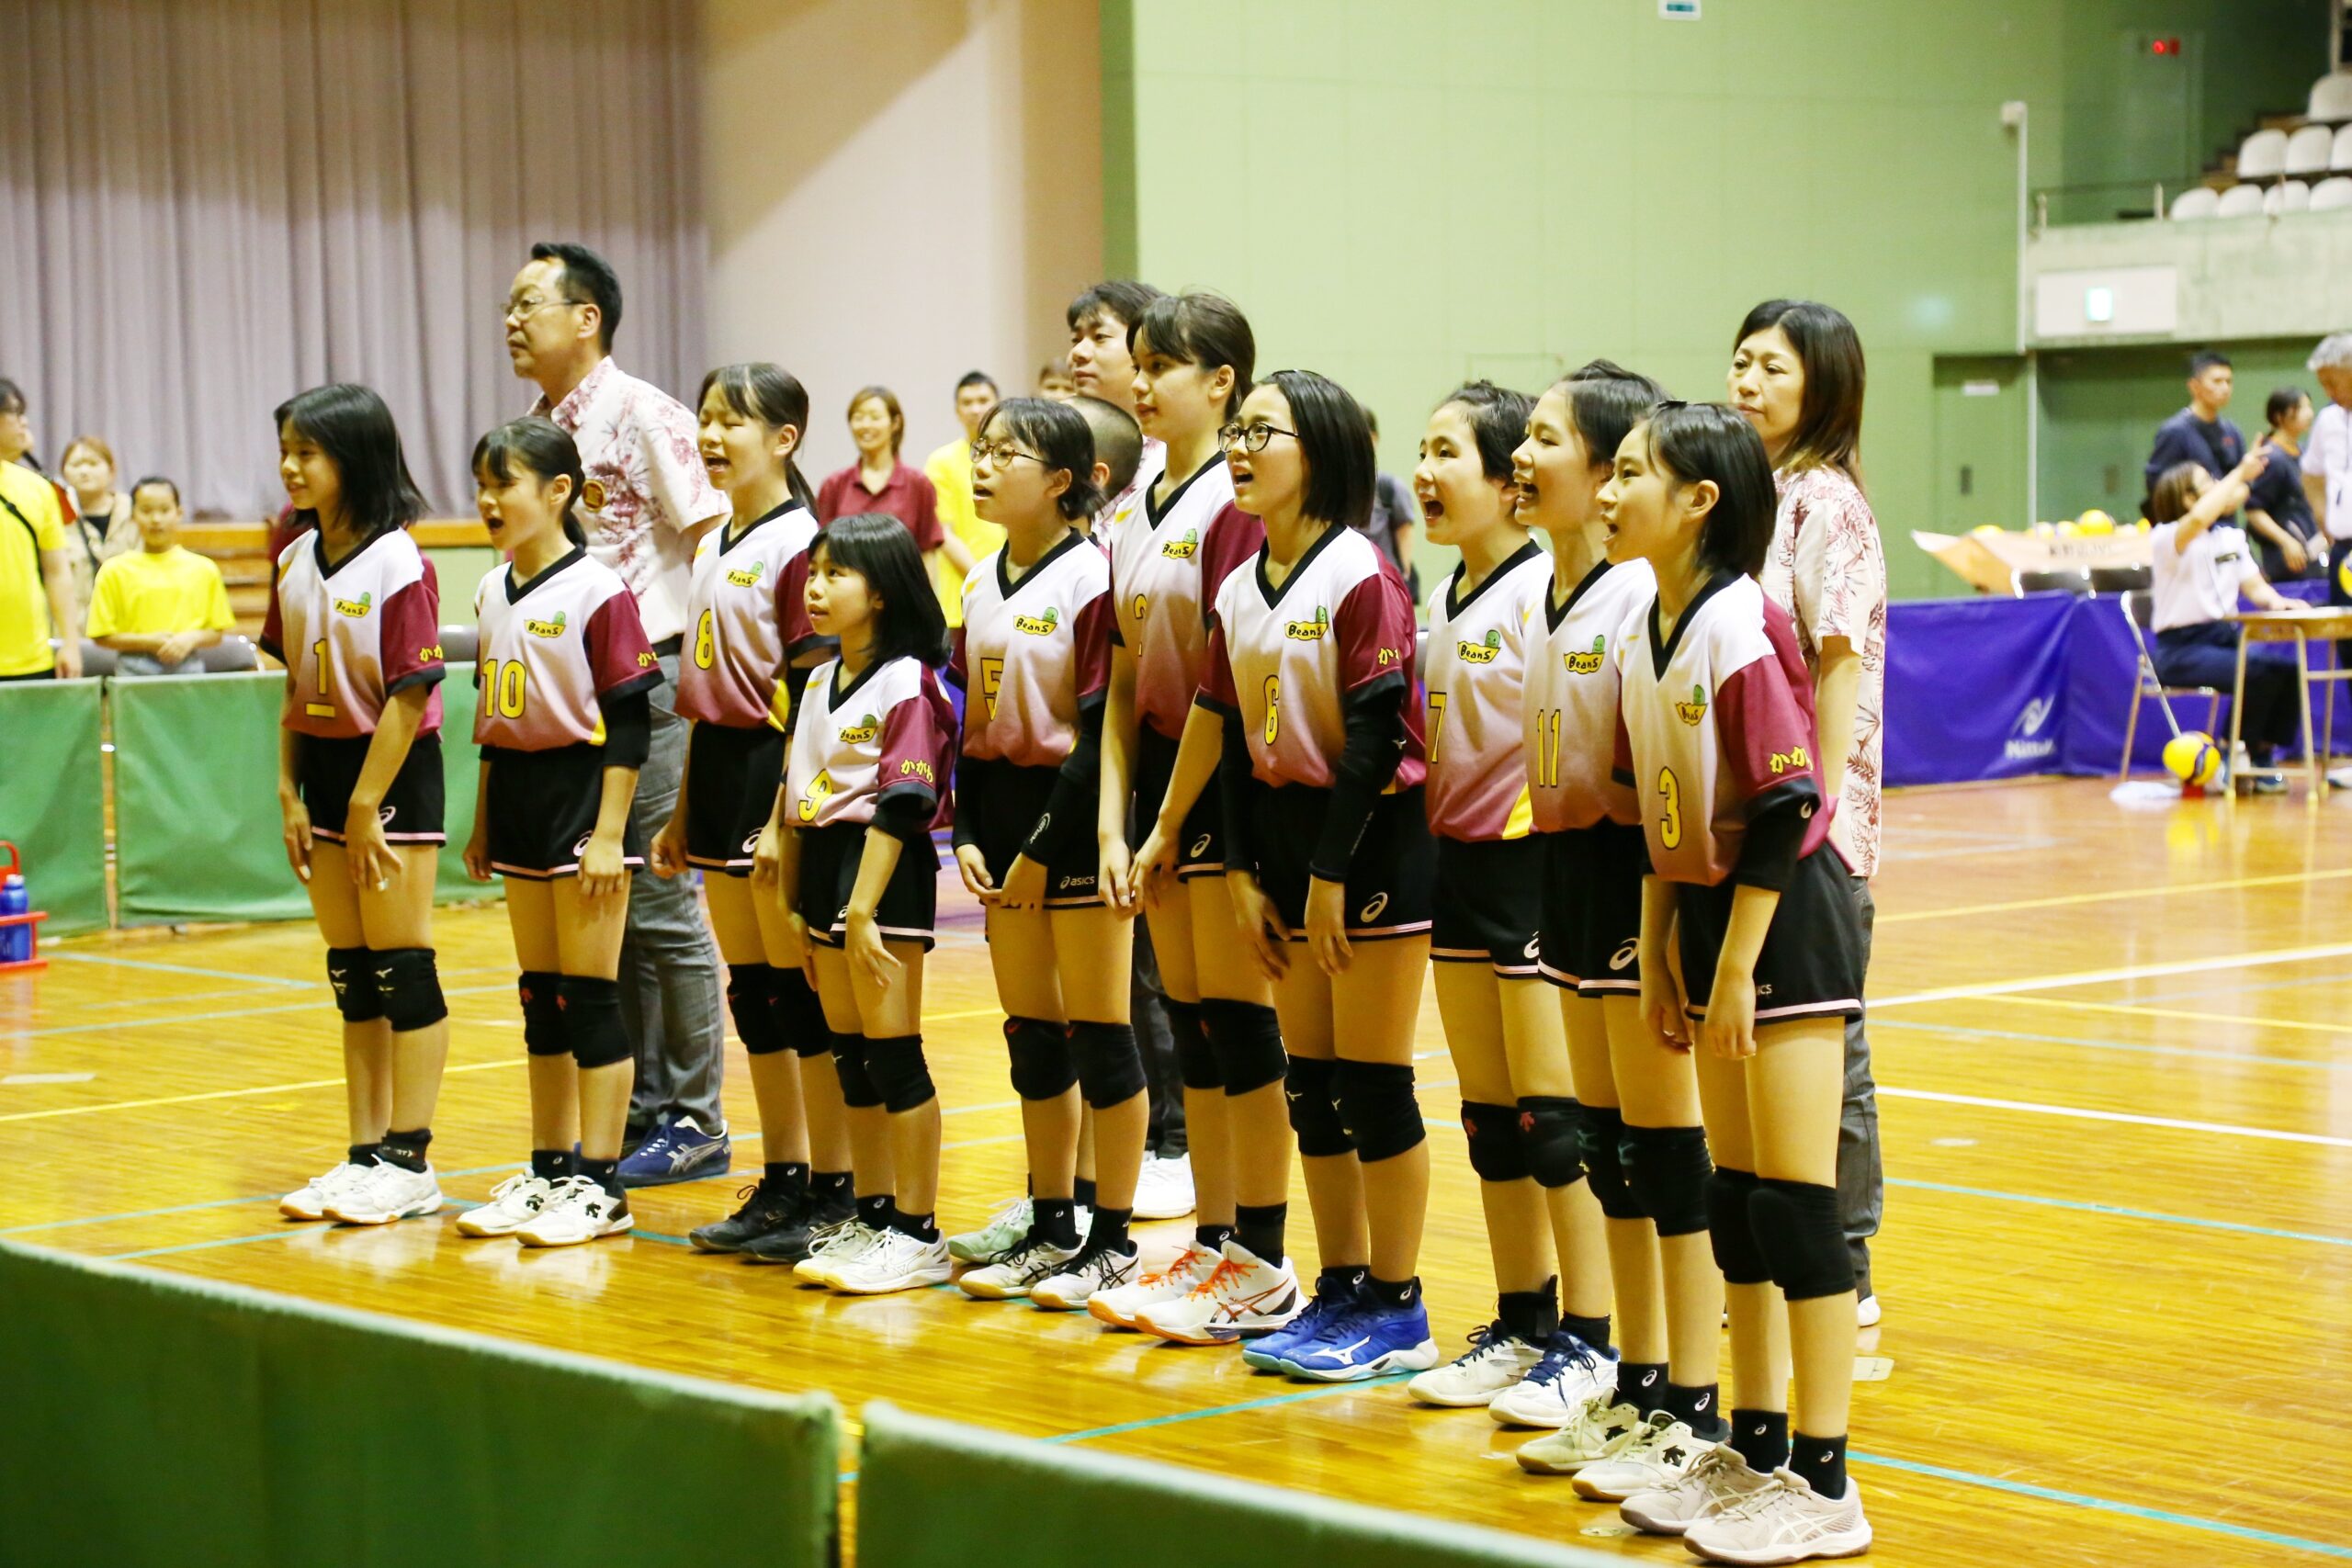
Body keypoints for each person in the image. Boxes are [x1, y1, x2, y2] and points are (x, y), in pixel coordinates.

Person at [1606, 401, 1871, 1562]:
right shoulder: (1646, 624)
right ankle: (1753, 1450)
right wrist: (1660, 954)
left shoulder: (1740, 622)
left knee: (1799, 1211)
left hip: (1785, 923)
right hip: (1712, 921)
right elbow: (1651, 818)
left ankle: (1826, 1484)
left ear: (1698, 501)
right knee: (1740, 1203)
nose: (1608, 492)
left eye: (1629, 473)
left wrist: (1734, 968)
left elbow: (1782, 807)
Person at [1145, 367, 1433, 1376]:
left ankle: (1398, 1304)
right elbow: (1225, 730)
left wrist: (1328, 871)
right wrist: (1238, 870)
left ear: (1318, 450)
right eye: (1235, 431)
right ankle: (1342, 1287)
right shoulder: (1240, 585)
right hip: (1282, 845)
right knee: (1312, 1087)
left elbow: (1375, 733)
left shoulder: (1360, 572)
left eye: (1260, 431)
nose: (1238, 447)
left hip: (1368, 843)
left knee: (1374, 1084)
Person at [1510, 365, 1732, 1490]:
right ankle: (1639, 1384)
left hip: (1632, 875)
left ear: (1608, 473)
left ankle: (1694, 1398)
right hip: (1564, 876)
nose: (1519, 456)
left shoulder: (1643, 600)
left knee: (1664, 1153)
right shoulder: (1546, 595)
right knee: (1605, 1151)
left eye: (1544, 438)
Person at [1397, 380, 1618, 1413]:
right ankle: (1523, 1319)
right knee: (1490, 1119)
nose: (1424, 473)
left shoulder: (1544, 593)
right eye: (1423, 451)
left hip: (1532, 875)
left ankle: (1594, 1337)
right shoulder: (1441, 595)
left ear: (1503, 482)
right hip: (1456, 871)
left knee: (1552, 1122)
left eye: (1448, 453)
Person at [505, 240, 735, 1183]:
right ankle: (640, 1111)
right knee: (610, 903)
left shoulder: (646, 413)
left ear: (587, 317)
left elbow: (711, 534)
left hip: (655, 681)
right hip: (573, 693)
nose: (512, 321)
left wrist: (709, 677)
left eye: (529, 303)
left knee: (663, 903)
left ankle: (695, 1119)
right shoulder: (536, 427)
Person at [1090, 292, 1295, 1341]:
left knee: (1239, 1023)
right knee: (1195, 1029)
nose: (1140, 381)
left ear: (1221, 383)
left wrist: (1174, 819)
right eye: (1137, 362)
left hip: (1225, 784)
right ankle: (1213, 1247)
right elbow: (1125, 680)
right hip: (1160, 784)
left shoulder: (1232, 503)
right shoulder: (1134, 508)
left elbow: (1224, 685)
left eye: (1161, 364)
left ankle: (1262, 1256)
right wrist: (1115, 822)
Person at [944, 397, 1153, 1309]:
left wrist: (1040, 848)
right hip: (1000, 821)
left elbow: (1101, 728)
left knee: (1100, 1035)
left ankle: (1113, 1239)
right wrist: (966, 834)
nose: (984, 466)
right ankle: (1049, 1224)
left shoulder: (1092, 579)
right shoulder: (977, 582)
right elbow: (969, 723)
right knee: (1032, 1038)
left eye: (1007, 454)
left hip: (1073, 818)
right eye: (982, 450)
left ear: (1062, 480)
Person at [650, 363, 852, 1264]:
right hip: (720, 775)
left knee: (800, 995)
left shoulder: (800, 544)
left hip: (777, 775)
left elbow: (814, 693)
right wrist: (681, 809)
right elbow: (704, 693)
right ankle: (783, 1177)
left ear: (784, 437)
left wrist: (782, 815)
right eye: (706, 417)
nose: (712, 435)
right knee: (757, 996)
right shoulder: (713, 542)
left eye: (732, 420)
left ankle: (834, 1188)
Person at [454, 418, 660, 1245]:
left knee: (590, 996)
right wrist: (482, 822)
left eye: (503, 483)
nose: (487, 500)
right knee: (540, 997)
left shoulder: (598, 591)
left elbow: (632, 724)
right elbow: (491, 715)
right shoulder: (489, 589)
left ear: (558, 491)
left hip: (582, 798)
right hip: (518, 800)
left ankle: (601, 1184)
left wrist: (609, 833)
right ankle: (548, 1170)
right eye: (481, 485)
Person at [1729, 299, 1887, 1326]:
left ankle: (1848, 1261)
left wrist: (1819, 813)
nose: (1746, 382)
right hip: (1749, 811)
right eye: (1740, 362)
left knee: (1833, 1044)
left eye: (1771, 368)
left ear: (1820, 387)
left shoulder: (1827, 502)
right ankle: (1774, 1247)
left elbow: (1838, 661)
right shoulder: (1755, 494)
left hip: (1815, 821)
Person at [262, 384, 450, 1228]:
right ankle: (364, 1153)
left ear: (354, 456)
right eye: (286, 450)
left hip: (392, 775)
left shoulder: (399, 560)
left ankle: (411, 1160)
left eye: (307, 451)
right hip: (325, 776)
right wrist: (287, 790)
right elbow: (291, 686)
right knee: (353, 975)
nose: (290, 466)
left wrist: (369, 802)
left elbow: (410, 697)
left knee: (403, 967)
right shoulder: (293, 557)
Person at [772, 513, 960, 1295]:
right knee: (851, 1058)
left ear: (881, 592)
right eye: (812, 573)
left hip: (880, 873)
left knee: (894, 1054)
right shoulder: (817, 678)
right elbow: (794, 800)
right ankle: (875, 1214)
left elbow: (903, 803)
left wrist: (858, 910)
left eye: (835, 574)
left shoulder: (906, 680)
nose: (815, 588)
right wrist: (793, 903)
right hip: (824, 869)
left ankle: (918, 1232)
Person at [1065, 280, 1195, 1224]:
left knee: (1162, 965)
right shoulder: (1104, 472)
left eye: (1101, 338)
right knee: (1108, 968)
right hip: (1105, 742)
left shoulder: (1182, 479)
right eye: (1074, 337)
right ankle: (1103, 1159)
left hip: (1180, 744)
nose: (1082, 353)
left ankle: (1176, 1141)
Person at [2150, 453, 2304, 785]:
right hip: (2181, 649)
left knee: (2286, 670)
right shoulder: (2167, 537)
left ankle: (2261, 755)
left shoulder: (2231, 538)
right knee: (2256, 671)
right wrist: (2240, 473)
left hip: (2225, 638)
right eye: (2209, 482)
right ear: (2188, 498)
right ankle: (2227, 753)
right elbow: (2196, 520)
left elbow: (2256, 588)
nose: (2219, 485)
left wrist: (2280, 603)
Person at [85, 478, 235, 675]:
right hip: (133, 670)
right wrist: (149, 642)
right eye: (146, 511)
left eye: (165, 510)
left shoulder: (204, 569)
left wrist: (190, 639)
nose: (156, 519)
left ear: (179, 513)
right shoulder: (113, 570)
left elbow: (216, 633)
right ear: (133, 516)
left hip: (188, 668)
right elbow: (101, 636)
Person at [817, 387, 947, 581]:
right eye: (858, 417)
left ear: (895, 423)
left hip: (902, 594)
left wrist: (924, 598)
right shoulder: (834, 485)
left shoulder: (918, 484)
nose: (865, 425)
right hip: (845, 595)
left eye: (875, 417)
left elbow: (927, 553)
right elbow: (821, 551)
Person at [0, 396, 80, 682]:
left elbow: (57, 571)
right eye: (15, 412)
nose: (24, 422)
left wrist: (70, 644)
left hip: (30, 659)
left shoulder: (37, 488)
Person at [921, 370, 999, 626]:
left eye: (983, 400)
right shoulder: (941, 462)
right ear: (957, 411)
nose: (976, 409)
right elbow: (943, 533)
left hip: (1015, 588)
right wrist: (986, 580)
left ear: (998, 405)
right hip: (962, 597)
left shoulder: (1013, 457)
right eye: (967, 402)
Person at [2145, 350, 2245, 519]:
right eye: (2217, 381)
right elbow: (2157, 486)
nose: (2225, 388)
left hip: (2227, 528)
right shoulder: (2175, 431)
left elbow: (2244, 478)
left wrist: (2236, 496)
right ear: (2194, 386)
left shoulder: (2231, 431)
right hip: (2190, 527)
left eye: (2229, 381)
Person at [2246, 388, 2323, 582]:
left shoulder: (2304, 452)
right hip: (2287, 559)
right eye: (2300, 408)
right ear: (2279, 417)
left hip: (2311, 554)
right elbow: (2253, 511)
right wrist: (2286, 541)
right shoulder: (2273, 458)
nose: (2309, 413)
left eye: (2309, 406)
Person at [59, 436, 136, 614]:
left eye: (93, 464)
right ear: (63, 472)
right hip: (74, 619)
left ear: (111, 470)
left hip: (127, 617)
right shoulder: (54, 515)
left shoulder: (134, 512)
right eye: (76, 465)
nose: (84, 471)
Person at [1361, 409, 1419, 593]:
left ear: (1373, 439)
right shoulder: (1331, 489)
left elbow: (1405, 532)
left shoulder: (1389, 488)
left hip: (1384, 584)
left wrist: (1404, 577)